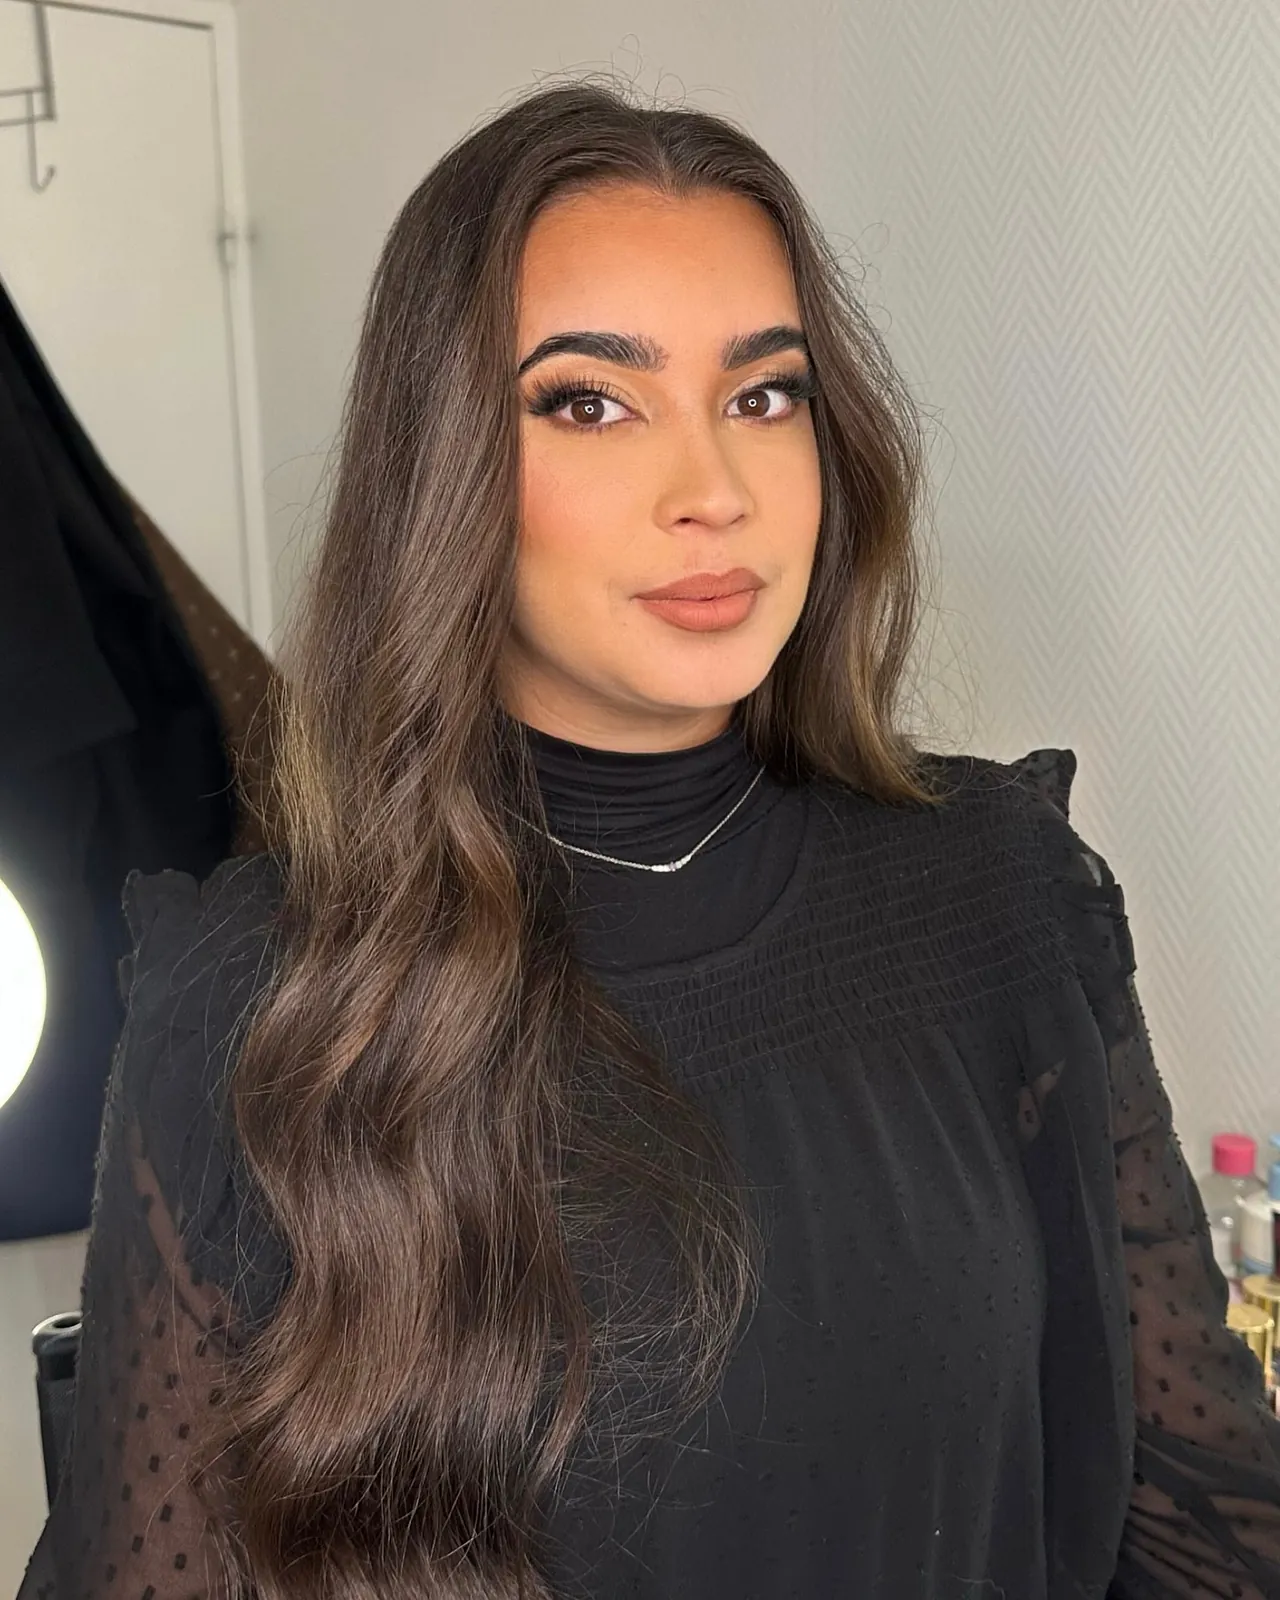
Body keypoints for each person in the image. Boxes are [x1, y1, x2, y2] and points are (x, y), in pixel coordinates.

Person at [20, 75, 1280, 1600]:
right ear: (443, 469)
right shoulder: (261, 994)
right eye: (590, 402)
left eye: (764, 396)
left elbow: (1209, 1525)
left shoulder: (1000, 887)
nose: (715, 491)